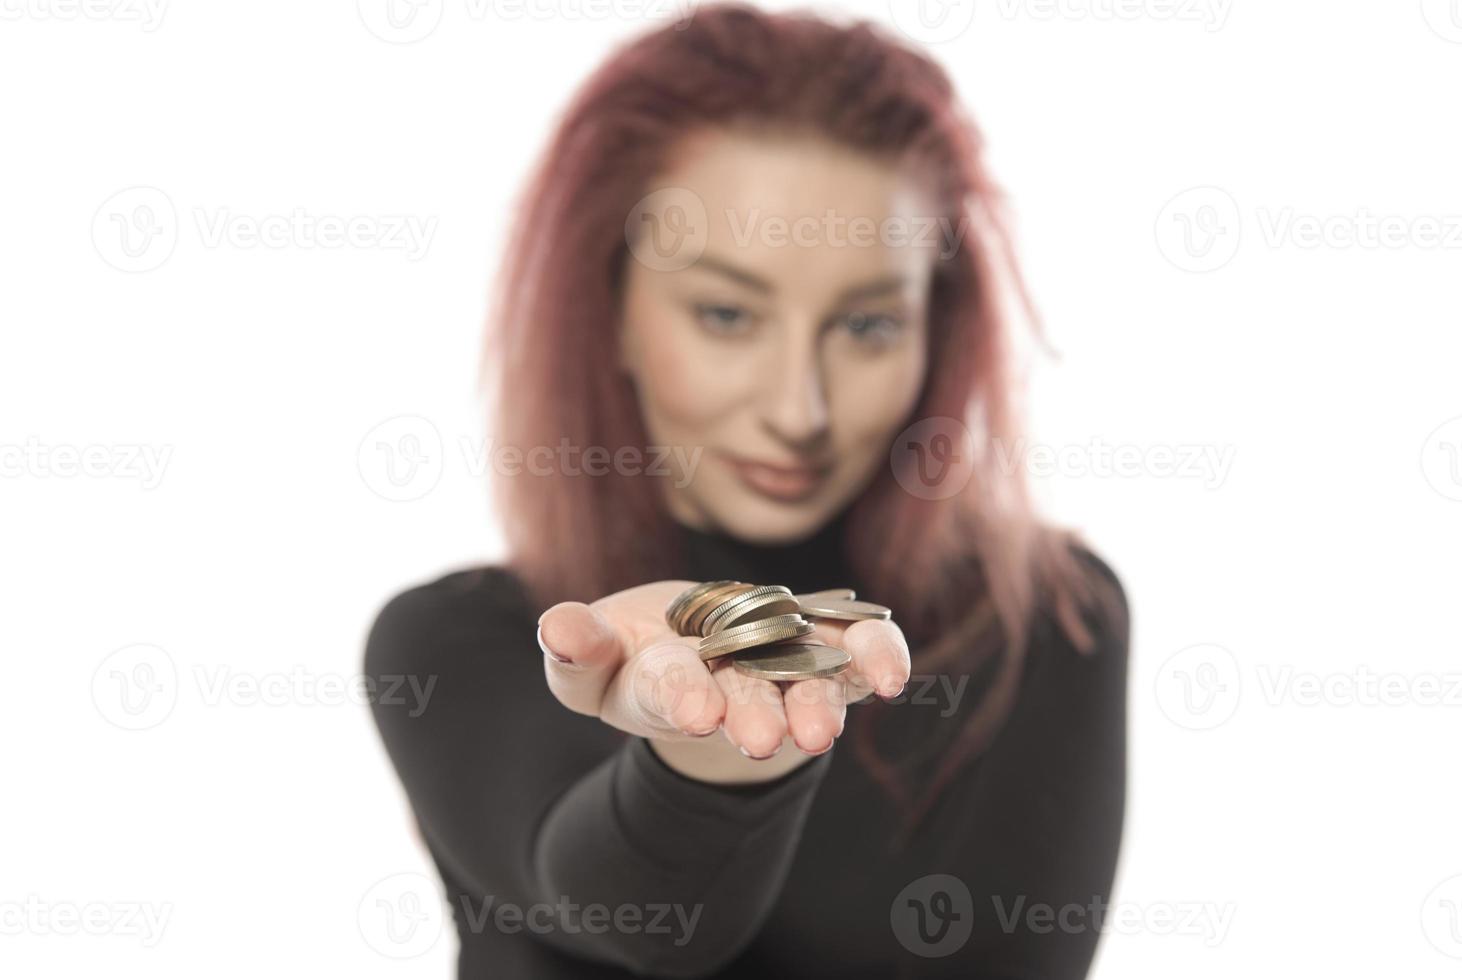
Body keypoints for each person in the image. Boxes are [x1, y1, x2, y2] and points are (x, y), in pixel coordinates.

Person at [365, 5, 1129, 977]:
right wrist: (716, 740)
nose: (796, 408)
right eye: (726, 313)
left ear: (933, 329)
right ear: (613, 312)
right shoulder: (452, 642)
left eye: (865, 326)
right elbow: (636, 917)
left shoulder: (1050, 619)